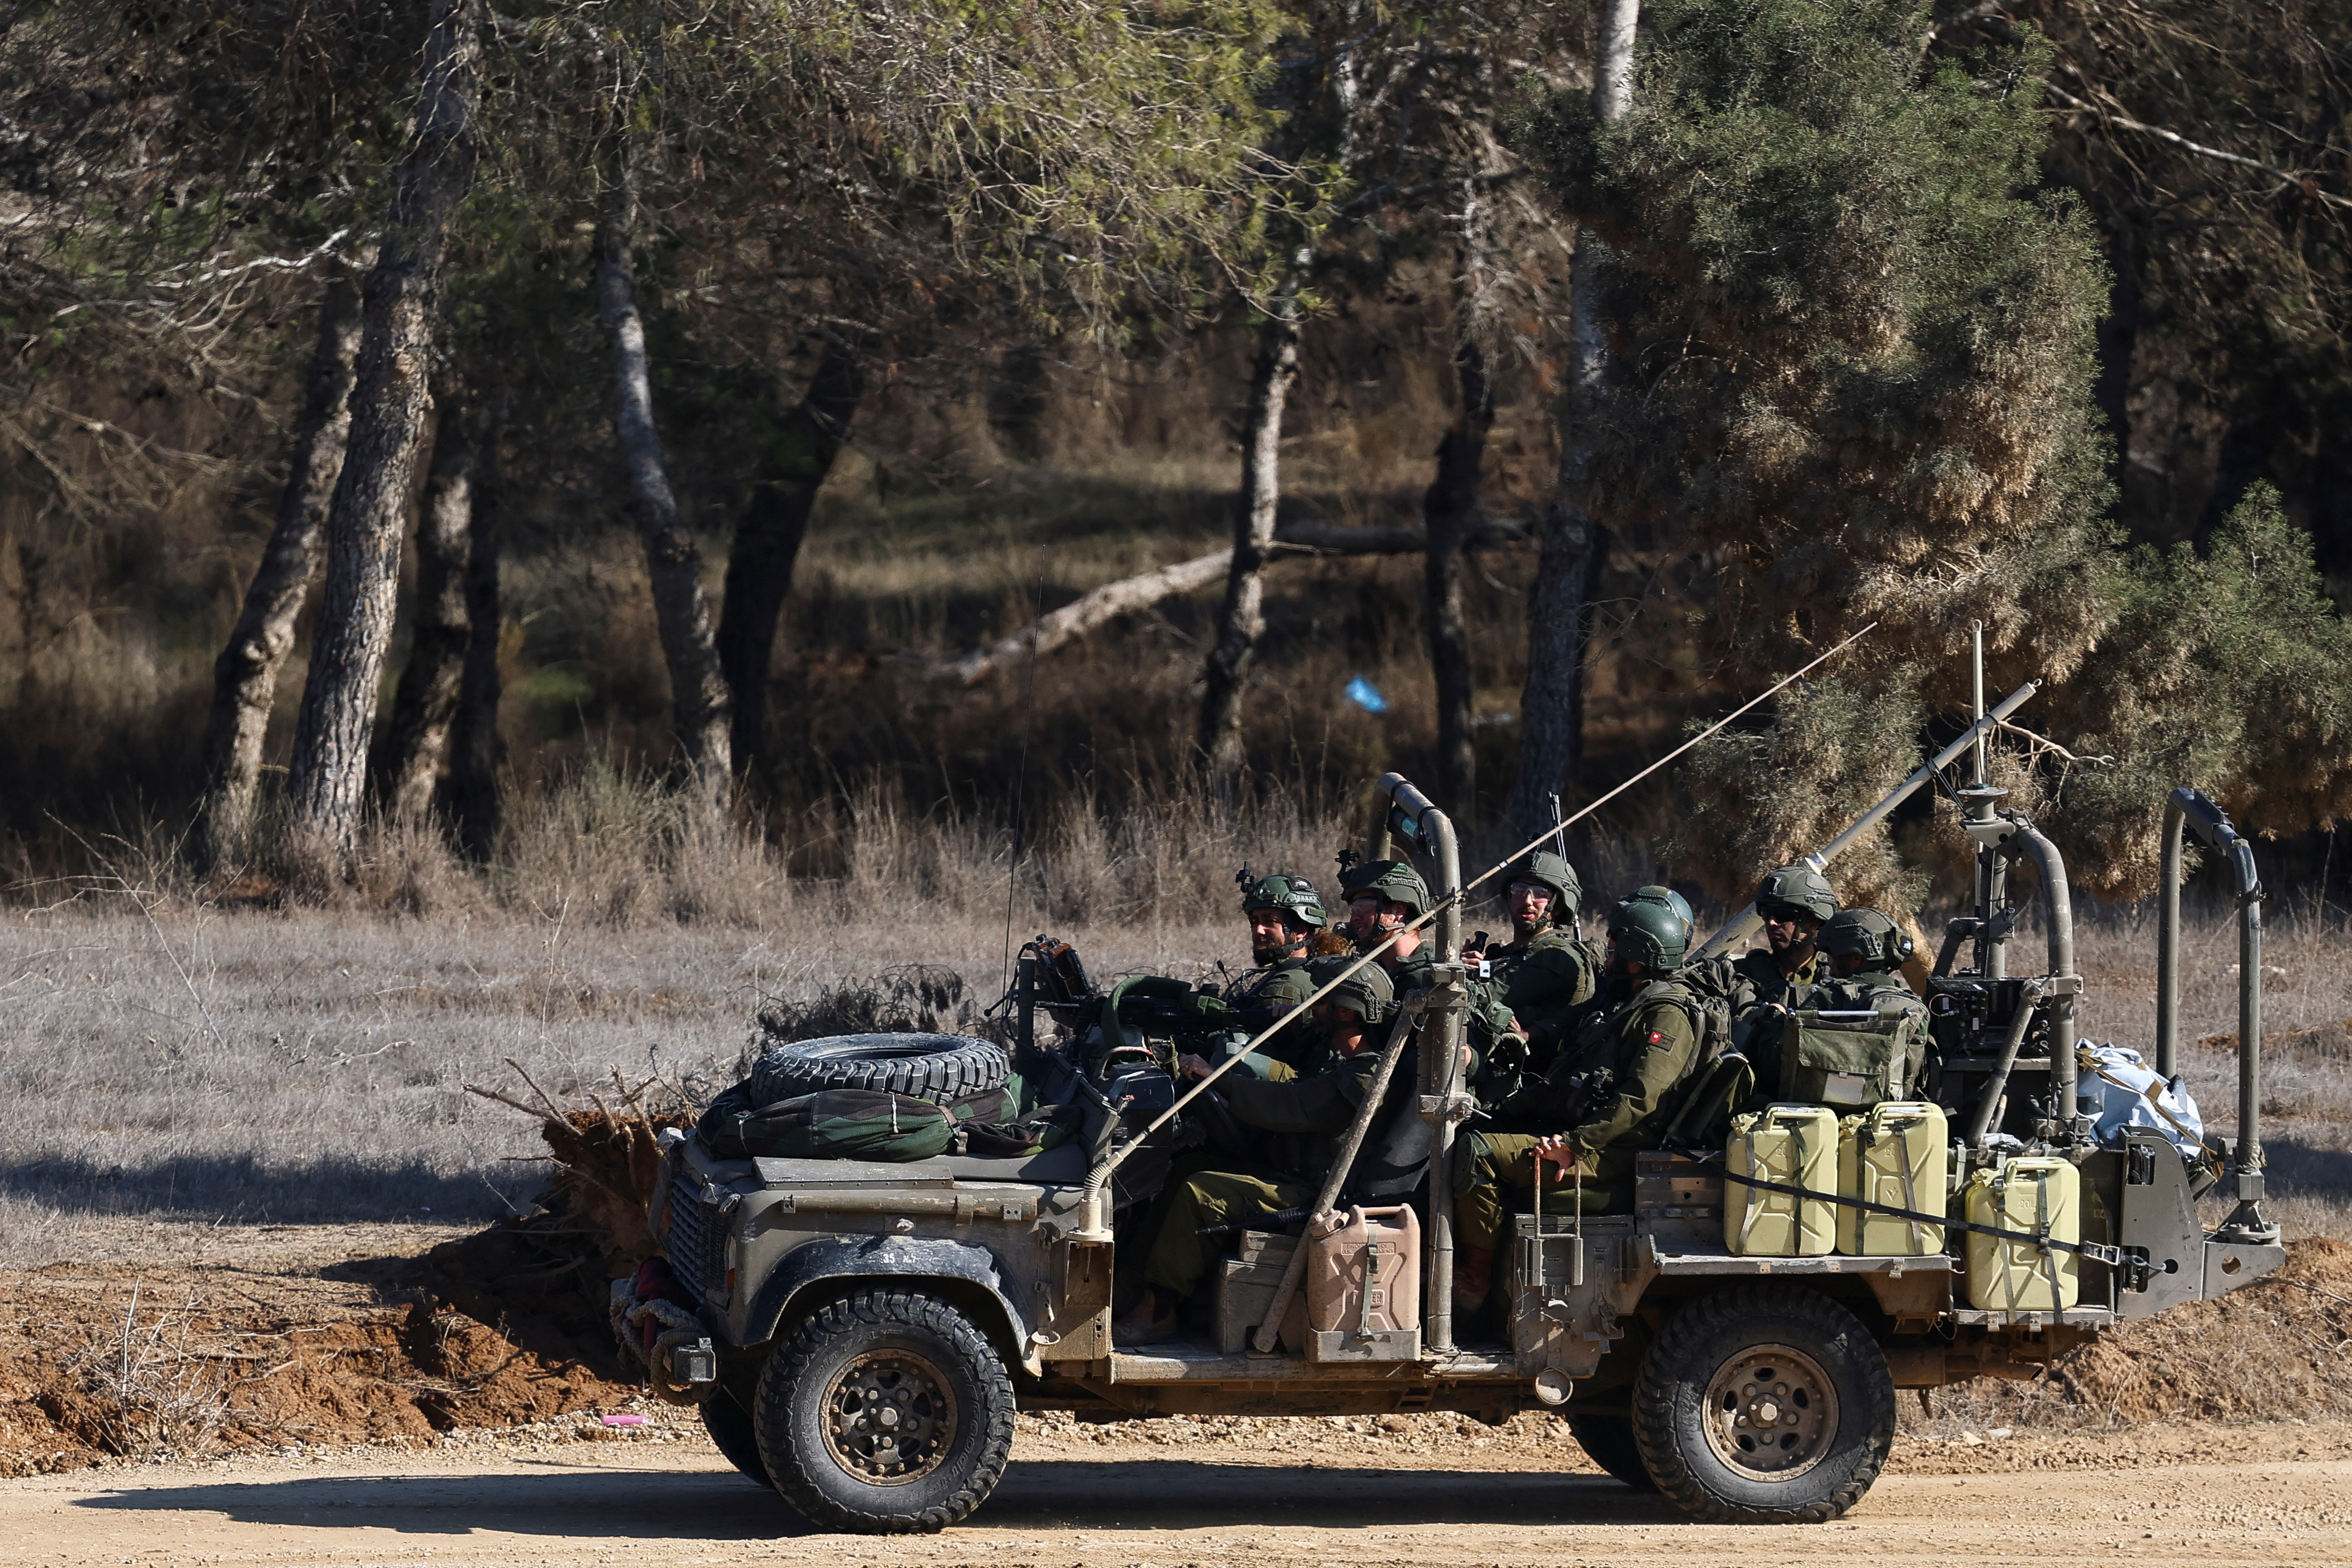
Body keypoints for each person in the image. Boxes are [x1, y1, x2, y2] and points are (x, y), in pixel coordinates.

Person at [1116, 964, 1404, 1346]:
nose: (1311, 1008)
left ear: (1347, 1011)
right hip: (1293, 1176)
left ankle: (1159, 1310)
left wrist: (1216, 1078)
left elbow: (1293, 1104)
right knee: (1187, 1167)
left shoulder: (1366, 1076)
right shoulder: (1334, 1059)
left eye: (1321, 1002)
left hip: (1319, 1195)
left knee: (1201, 1193)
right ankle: (1129, 1289)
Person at [1450, 896, 1707, 1313]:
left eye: (1614, 947)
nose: (1606, 953)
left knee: (1477, 1153)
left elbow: (1639, 1098)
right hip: (1584, 1132)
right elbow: (1573, 1025)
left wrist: (1575, 1144)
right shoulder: (1624, 998)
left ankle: (1474, 1280)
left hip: (1613, 1152)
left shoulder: (1666, 1014)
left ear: (1638, 956)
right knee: (1469, 1128)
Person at [1462, 850, 1595, 1067]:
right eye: (1519, 890)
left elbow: (1491, 996)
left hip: (1529, 1079)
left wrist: (1458, 974)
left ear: (1559, 905)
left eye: (1540, 893)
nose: (1527, 901)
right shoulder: (1516, 953)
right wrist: (1478, 967)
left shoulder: (1554, 958)